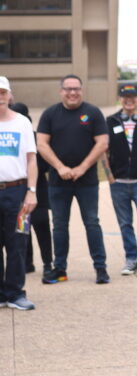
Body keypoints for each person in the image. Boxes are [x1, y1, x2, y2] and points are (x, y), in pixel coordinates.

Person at [37, 74, 110, 284]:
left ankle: (100, 269)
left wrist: (82, 167)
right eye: (68, 89)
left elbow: (102, 143)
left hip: (86, 182)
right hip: (59, 182)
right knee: (59, 226)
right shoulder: (50, 114)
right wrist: (60, 167)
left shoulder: (92, 113)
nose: (72, 93)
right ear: (61, 91)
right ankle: (59, 269)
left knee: (92, 223)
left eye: (76, 89)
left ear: (81, 90)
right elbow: (42, 144)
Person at [101, 84, 137, 275]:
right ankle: (131, 260)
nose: (129, 100)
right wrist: (110, 177)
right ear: (120, 98)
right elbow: (103, 151)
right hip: (118, 184)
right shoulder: (110, 122)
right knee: (125, 223)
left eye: (133, 96)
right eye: (125, 96)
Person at [0, 76, 37, 310]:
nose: (0, 98)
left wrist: (31, 191)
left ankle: (15, 293)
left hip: (18, 192)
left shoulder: (22, 123)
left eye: (3, 93)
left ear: (10, 95)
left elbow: (31, 159)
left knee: (18, 242)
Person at [9, 102, 53, 275]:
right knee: (22, 228)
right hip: (20, 191)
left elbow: (44, 164)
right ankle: (28, 263)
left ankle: (48, 262)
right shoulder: (10, 136)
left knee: (41, 224)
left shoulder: (36, 138)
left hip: (38, 189)